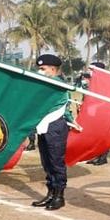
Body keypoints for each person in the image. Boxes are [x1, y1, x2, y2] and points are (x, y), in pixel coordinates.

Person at [31, 54, 73, 210]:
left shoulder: (57, 85)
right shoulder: (45, 83)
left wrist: (71, 119)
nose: (40, 71)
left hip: (55, 126)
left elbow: (62, 105)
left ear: (53, 69)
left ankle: (59, 195)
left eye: (42, 69)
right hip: (44, 126)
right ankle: (50, 192)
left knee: (56, 161)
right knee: (46, 161)